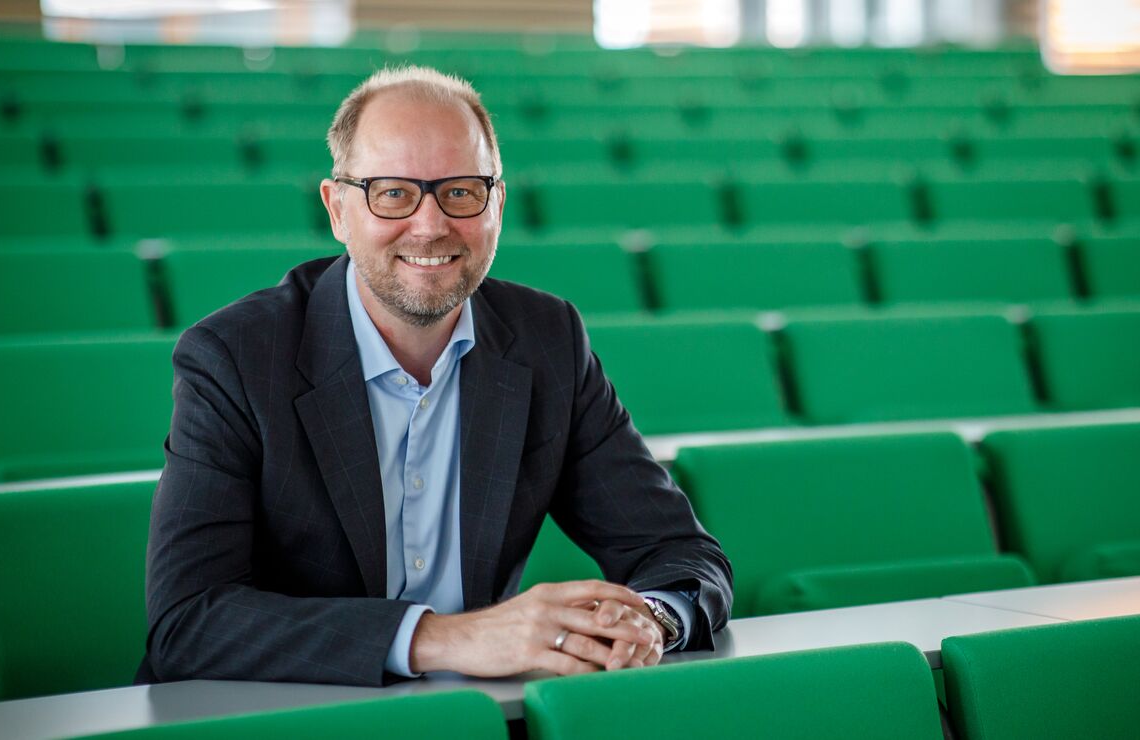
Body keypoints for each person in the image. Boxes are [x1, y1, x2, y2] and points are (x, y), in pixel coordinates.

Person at [137, 66, 733, 686]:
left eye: (461, 191)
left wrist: (649, 623)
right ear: (337, 209)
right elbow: (189, 621)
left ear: (497, 204)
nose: (430, 224)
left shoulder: (547, 339)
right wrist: (445, 638)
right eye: (392, 193)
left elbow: (680, 554)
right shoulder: (233, 357)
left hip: (475, 716)